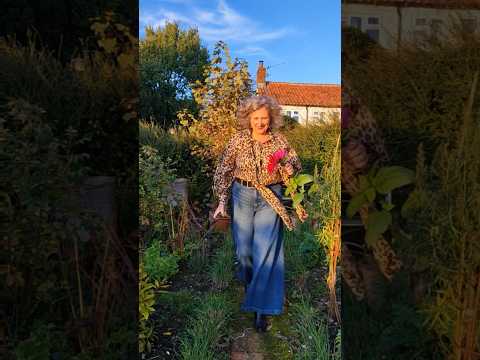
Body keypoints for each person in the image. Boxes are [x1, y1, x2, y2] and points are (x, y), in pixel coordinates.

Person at [212, 95, 304, 332]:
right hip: (241, 194)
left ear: (271, 119)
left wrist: (288, 168)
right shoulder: (238, 140)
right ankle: (250, 285)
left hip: (269, 198)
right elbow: (224, 169)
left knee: (264, 251)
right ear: (248, 119)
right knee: (244, 251)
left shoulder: (279, 141)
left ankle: (261, 309)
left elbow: (295, 167)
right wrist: (222, 202)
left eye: (264, 118)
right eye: (256, 118)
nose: (261, 123)